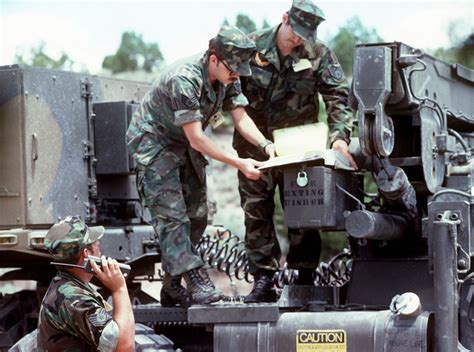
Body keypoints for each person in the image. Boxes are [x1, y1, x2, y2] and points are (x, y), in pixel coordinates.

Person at [126, 26, 275, 306]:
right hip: (155, 143)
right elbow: (197, 139)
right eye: (233, 68)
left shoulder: (229, 75)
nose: (238, 74)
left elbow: (240, 119)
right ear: (214, 59)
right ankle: (196, 280)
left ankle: (171, 286)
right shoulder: (186, 79)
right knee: (172, 218)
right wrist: (240, 163)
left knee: (198, 215)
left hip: (183, 143)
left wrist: (266, 145)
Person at [233, 0, 358, 303]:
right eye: (295, 31)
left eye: (305, 34)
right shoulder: (250, 47)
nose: (298, 39)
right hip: (256, 146)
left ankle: (305, 277)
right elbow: (231, 94)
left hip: (300, 150)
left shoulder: (319, 54)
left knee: (304, 211)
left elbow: (338, 98)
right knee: (256, 212)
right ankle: (264, 279)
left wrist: (340, 138)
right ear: (284, 18)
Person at [37, 216, 135, 351]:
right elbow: (123, 347)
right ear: (86, 254)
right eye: (96, 245)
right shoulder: (74, 299)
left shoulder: (65, 287)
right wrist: (119, 289)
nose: (100, 250)